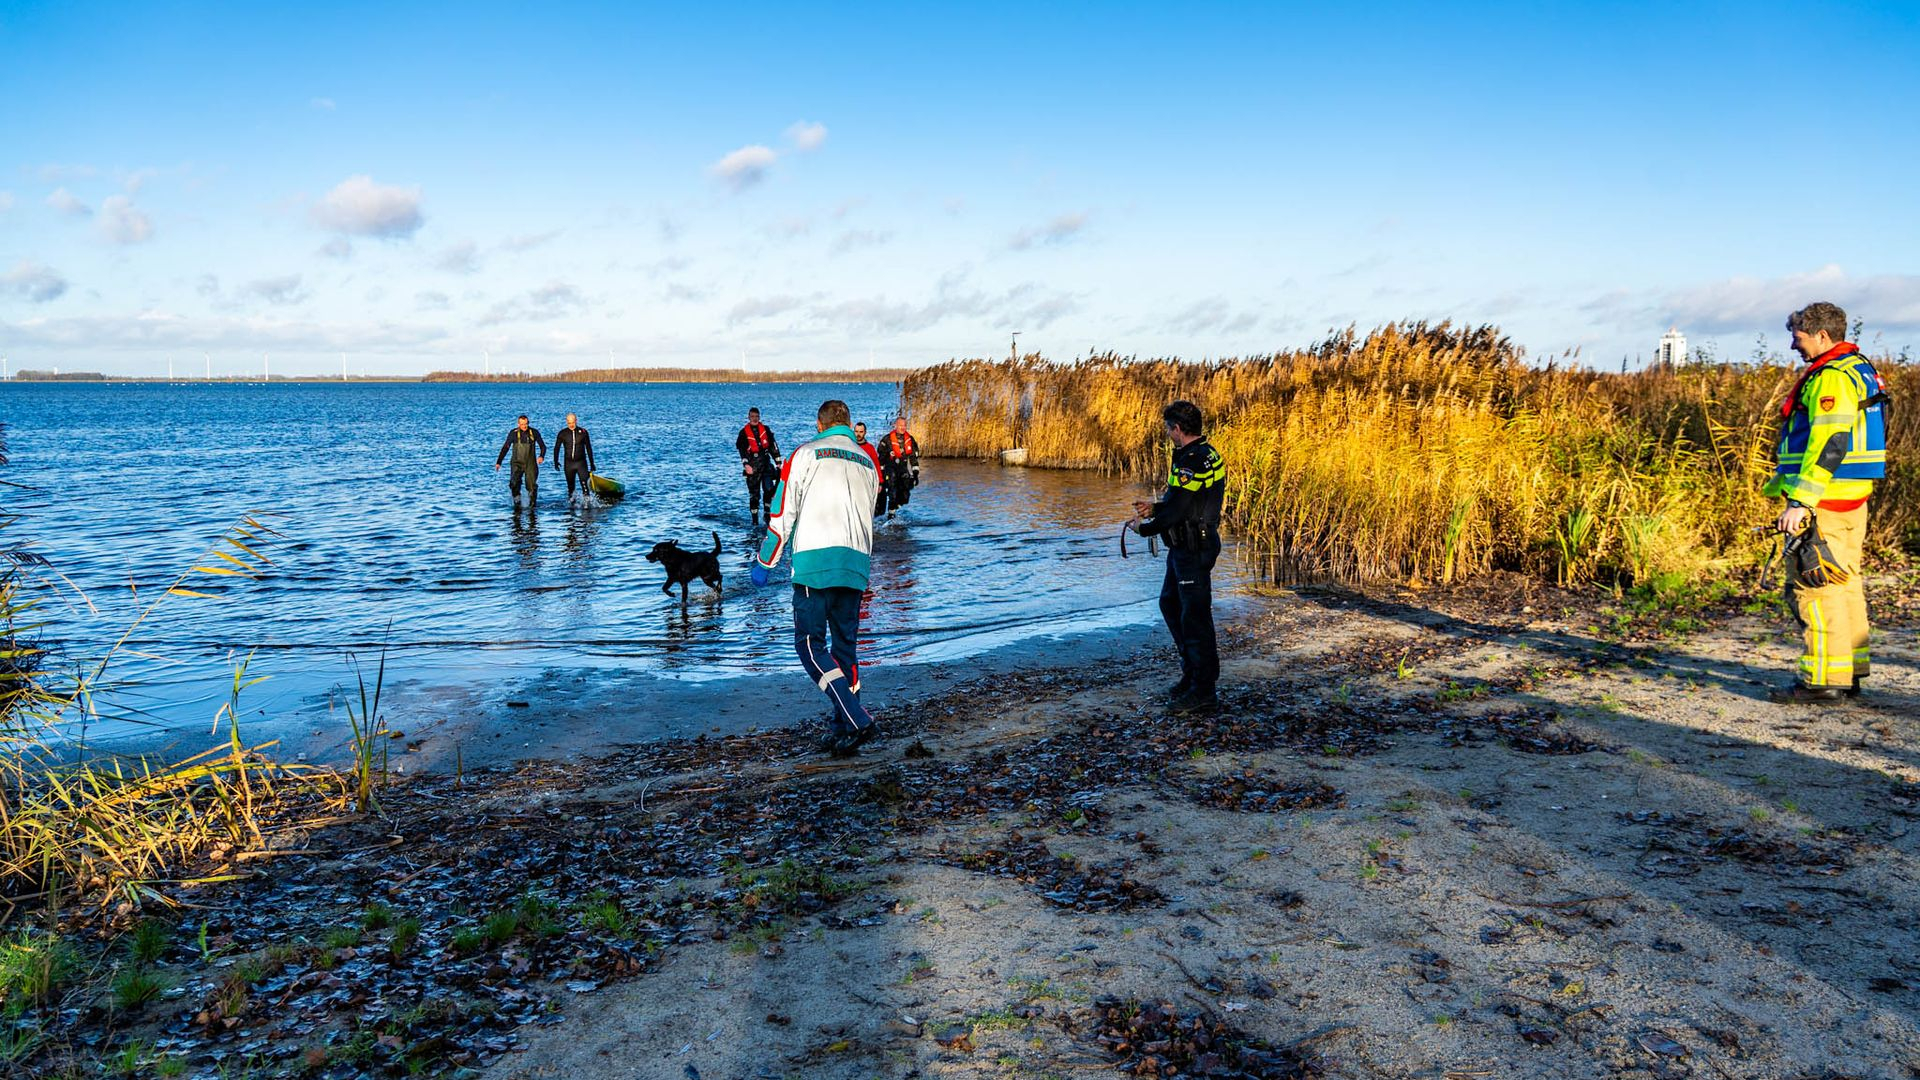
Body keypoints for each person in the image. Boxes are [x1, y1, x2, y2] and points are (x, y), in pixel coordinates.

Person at [1764, 301, 1888, 703]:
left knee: (1815, 586)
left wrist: (1800, 501)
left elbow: (1830, 442)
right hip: (1853, 496)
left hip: (1825, 500)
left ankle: (1822, 682)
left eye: (1797, 338)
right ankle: (1848, 670)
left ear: (1821, 335)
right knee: (1845, 581)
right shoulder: (1859, 368)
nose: (1792, 346)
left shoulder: (1832, 377)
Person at [749, 399, 882, 754]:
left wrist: (765, 562)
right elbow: (869, 511)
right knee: (845, 647)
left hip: (815, 561)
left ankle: (855, 717)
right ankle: (844, 726)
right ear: (849, 424)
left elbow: (782, 510)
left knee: (809, 645)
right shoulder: (868, 461)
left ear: (820, 425)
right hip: (855, 563)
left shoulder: (805, 454)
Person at [1130, 400, 1226, 711]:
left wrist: (1143, 529)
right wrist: (1155, 508)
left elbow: (1181, 509)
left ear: (1178, 429)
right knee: (1170, 603)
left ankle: (1203, 690)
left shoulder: (1192, 461)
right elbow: (1182, 501)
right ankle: (1192, 675)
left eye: (1168, 429)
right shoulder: (1203, 454)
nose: (1167, 434)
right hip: (1187, 546)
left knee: (1194, 616)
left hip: (1193, 549)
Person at [736, 407, 782, 527]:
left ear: (759, 417)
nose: (755, 419)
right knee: (754, 495)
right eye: (752, 417)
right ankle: (755, 521)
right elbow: (742, 450)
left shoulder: (765, 430)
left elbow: (773, 446)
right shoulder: (743, 433)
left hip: (766, 465)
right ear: (749, 417)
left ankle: (767, 515)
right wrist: (746, 465)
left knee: (769, 490)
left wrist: (778, 462)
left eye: (757, 417)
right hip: (752, 467)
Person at [494, 414, 547, 505]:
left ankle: (532, 505)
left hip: (530, 463)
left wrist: (541, 456)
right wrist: (499, 462)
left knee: (531, 486)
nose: (524, 426)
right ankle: (517, 503)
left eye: (526, 424)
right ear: (518, 424)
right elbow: (505, 447)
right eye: (522, 424)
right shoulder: (513, 433)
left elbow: (543, 446)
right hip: (516, 463)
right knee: (514, 483)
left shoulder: (534, 432)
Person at [878, 416, 922, 516]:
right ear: (895, 426)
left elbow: (913, 459)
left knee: (905, 496)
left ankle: (895, 507)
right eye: (900, 425)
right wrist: (881, 477)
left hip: (903, 469)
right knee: (892, 492)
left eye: (904, 426)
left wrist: (915, 474)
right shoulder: (887, 439)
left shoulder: (910, 439)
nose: (903, 428)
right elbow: (880, 458)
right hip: (890, 469)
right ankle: (891, 514)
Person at [553, 412, 595, 501]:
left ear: (576, 421)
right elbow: (556, 448)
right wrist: (555, 462)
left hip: (581, 463)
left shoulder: (583, 432)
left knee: (585, 485)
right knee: (571, 487)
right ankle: (572, 506)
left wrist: (592, 463)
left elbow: (588, 448)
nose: (571, 425)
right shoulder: (562, 433)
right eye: (569, 423)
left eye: (573, 422)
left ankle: (587, 505)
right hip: (569, 464)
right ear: (566, 422)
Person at [853, 422, 884, 515]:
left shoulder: (870, 448)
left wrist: (880, 483)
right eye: (856, 431)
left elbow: (876, 465)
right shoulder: (850, 446)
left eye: (861, 432)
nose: (858, 434)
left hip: (865, 482)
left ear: (865, 432)